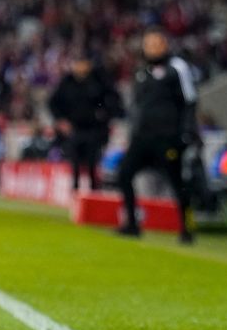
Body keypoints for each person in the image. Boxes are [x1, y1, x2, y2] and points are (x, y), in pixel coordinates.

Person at [116, 27, 198, 243]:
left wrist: (187, 132)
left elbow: (189, 101)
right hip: (143, 137)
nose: (152, 48)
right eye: (148, 44)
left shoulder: (176, 68)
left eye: (156, 43)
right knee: (124, 174)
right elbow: (137, 106)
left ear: (165, 44)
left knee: (177, 182)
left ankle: (187, 229)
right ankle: (132, 224)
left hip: (168, 136)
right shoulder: (142, 71)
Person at [49, 53, 122, 191]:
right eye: (78, 64)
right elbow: (53, 103)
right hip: (75, 129)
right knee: (74, 162)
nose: (81, 67)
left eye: (84, 63)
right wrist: (61, 120)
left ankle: (94, 192)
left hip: (94, 129)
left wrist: (104, 115)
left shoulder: (99, 80)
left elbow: (113, 99)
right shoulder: (67, 82)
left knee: (93, 162)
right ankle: (75, 191)